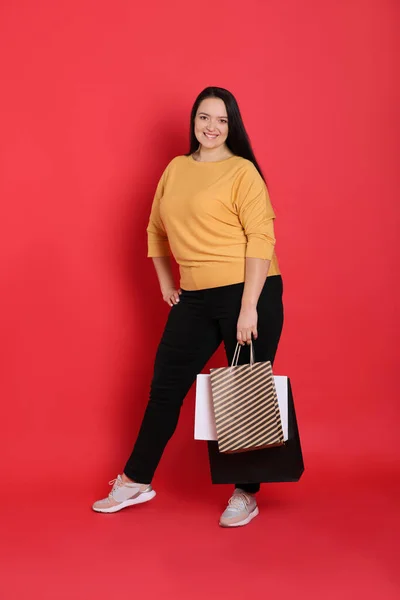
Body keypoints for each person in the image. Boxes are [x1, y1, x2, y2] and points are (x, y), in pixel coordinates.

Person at [92, 86, 284, 528]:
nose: (211, 127)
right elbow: (154, 229)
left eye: (220, 119)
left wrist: (249, 307)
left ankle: (245, 493)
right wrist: (166, 283)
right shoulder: (176, 169)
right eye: (203, 117)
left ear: (231, 124)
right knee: (165, 388)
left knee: (246, 394)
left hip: (249, 290)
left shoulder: (242, 172)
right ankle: (135, 479)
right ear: (194, 122)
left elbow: (261, 239)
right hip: (195, 297)